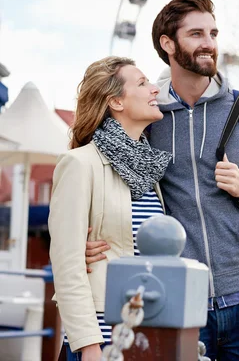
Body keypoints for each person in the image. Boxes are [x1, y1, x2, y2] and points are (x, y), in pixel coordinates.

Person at [85, 0, 239, 360]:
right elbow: (100, 171)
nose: (209, 44)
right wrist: (84, 238)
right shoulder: (150, 117)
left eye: (213, 33)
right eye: (196, 34)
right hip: (180, 301)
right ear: (168, 44)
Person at [49, 56, 172, 361]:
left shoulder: (149, 168)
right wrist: (89, 345)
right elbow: (66, 265)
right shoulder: (79, 164)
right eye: (142, 83)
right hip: (102, 339)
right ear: (116, 101)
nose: (155, 89)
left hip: (145, 336)